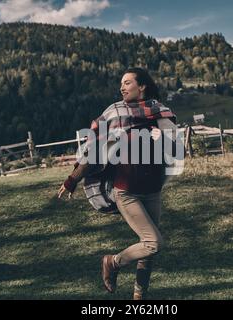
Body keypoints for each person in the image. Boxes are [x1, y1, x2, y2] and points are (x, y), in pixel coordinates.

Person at [58, 68, 178, 300]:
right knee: (154, 243)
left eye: (127, 83)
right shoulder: (115, 113)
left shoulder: (160, 112)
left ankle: (138, 297)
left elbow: (177, 149)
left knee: (147, 249)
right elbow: (93, 149)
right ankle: (112, 262)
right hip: (126, 191)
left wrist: (162, 139)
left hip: (153, 190)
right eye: (121, 84)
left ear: (141, 86)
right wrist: (72, 179)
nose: (122, 87)